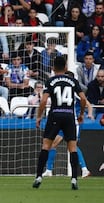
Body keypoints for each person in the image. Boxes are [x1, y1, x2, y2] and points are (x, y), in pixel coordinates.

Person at [33, 56, 86, 190]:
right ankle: (74, 179)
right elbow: (83, 98)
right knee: (72, 148)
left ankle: (39, 176)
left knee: (46, 145)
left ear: (53, 68)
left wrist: (39, 117)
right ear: (66, 67)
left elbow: (44, 101)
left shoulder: (50, 81)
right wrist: (81, 114)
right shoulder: (73, 81)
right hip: (69, 116)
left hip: (55, 114)